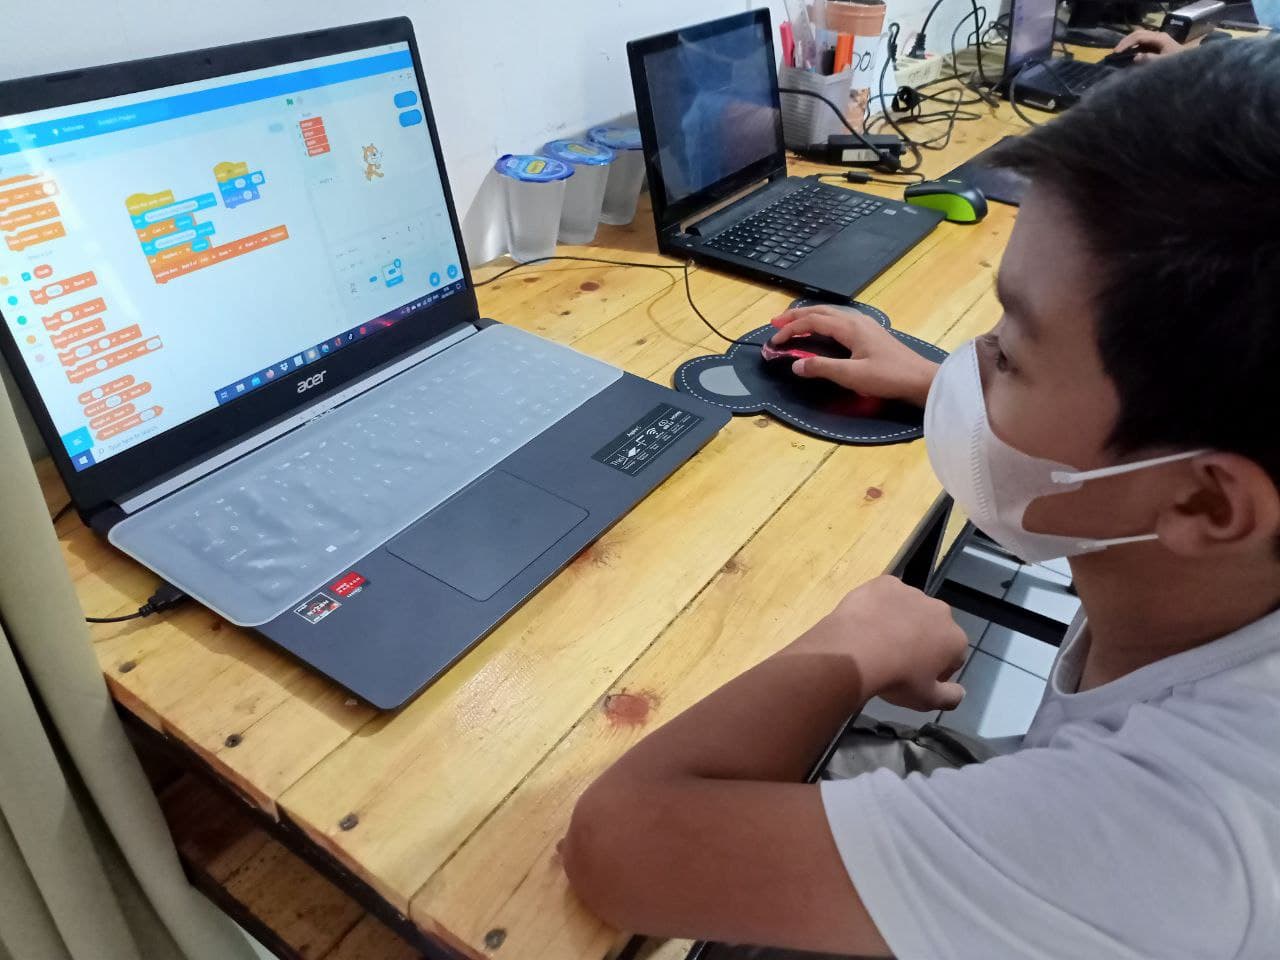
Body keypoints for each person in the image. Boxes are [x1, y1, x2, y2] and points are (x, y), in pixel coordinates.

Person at [562, 39, 1280, 959]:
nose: (973, 366)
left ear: (1209, 506)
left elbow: (617, 848)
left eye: (1009, 354)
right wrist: (928, 376)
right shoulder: (1221, 567)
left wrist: (851, 646)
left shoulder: (1178, 836)